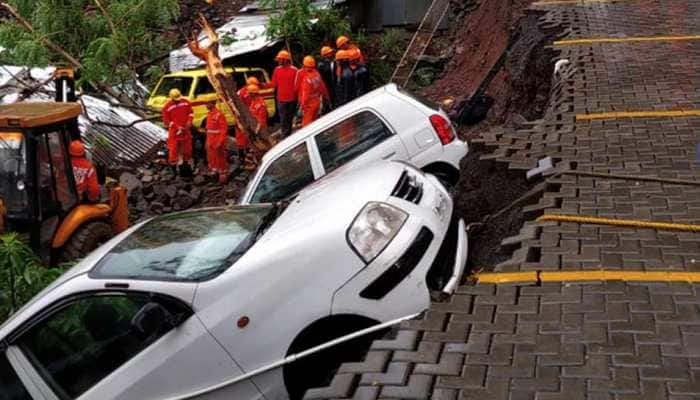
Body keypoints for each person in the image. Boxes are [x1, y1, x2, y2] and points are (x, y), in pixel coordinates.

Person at [162, 88, 194, 176]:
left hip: (185, 130)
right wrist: (177, 127)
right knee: (173, 150)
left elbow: (191, 113)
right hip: (174, 132)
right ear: (171, 98)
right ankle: (174, 169)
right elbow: (167, 121)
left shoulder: (186, 102)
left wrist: (189, 121)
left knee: (187, 149)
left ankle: (186, 166)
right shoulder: (166, 107)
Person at [266, 50, 298, 138]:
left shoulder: (295, 70)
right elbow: (274, 84)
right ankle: (285, 135)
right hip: (281, 99)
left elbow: (298, 84)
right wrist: (263, 85)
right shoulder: (277, 70)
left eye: (280, 59)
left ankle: (288, 134)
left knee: (289, 118)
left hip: (292, 99)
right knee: (283, 119)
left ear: (285, 60)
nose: (279, 61)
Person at [297, 56, 329, 127]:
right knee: (314, 124)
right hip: (317, 102)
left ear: (304, 65)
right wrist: (326, 97)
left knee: (306, 126)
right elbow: (323, 87)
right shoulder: (317, 74)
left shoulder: (307, 79)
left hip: (309, 105)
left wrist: (302, 107)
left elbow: (306, 95)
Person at [204, 100, 229, 183]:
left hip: (217, 140)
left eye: (207, 103)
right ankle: (214, 174)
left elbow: (223, 130)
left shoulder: (219, 115)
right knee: (211, 158)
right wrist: (207, 142)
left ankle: (223, 175)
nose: (206, 105)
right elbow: (208, 130)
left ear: (212, 103)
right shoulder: (209, 114)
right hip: (210, 140)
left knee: (220, 158)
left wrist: (220, 141)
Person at [317, 46, 336, 110]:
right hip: (327, 87)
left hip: (331, 86)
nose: (331, 54)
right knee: (328, 105)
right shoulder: (322, 65)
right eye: (329, 53)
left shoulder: (330, 62)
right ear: (325, 55)